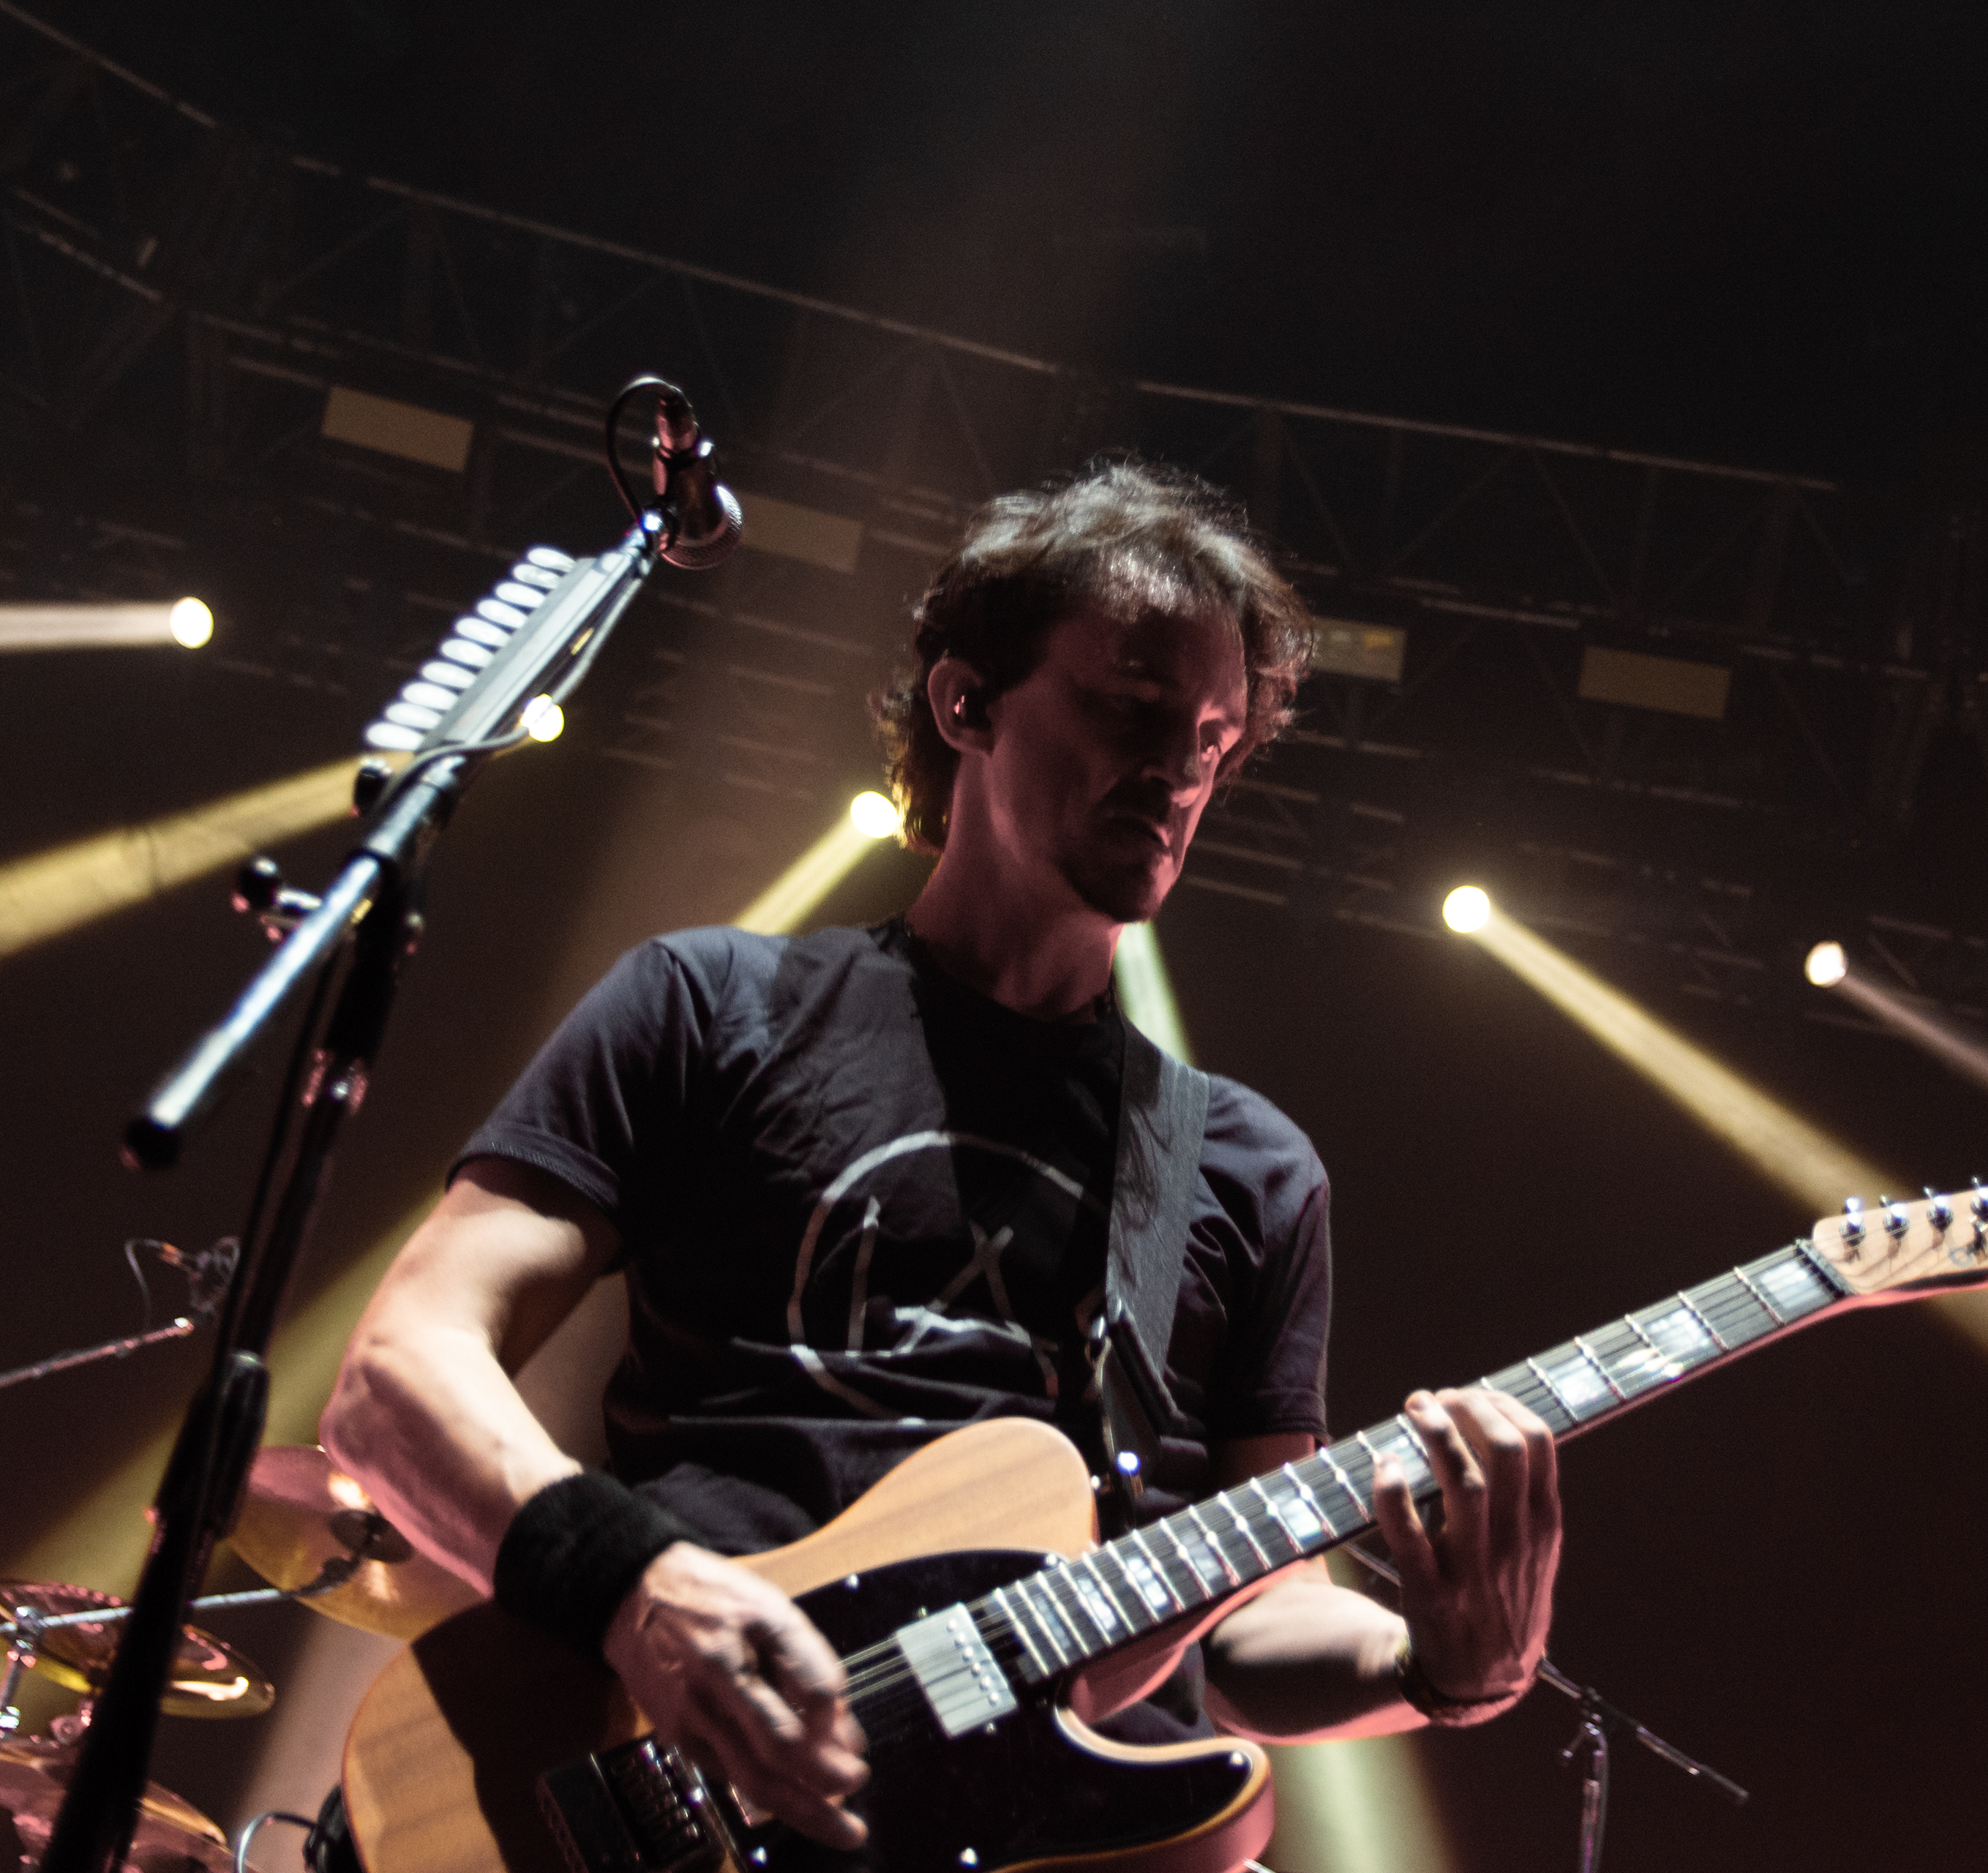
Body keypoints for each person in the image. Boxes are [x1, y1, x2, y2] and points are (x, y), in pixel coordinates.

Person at [320, 462, 1564, 1855]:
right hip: (650, 1762)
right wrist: (642, 1591)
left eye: (1214, 740)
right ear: (966, 704)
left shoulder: (1247, 1169)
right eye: (1132, 708)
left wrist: (1448, 1673)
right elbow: (395, 1376)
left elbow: (1260, 1603)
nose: (1177, 772)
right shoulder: (712, 1004)